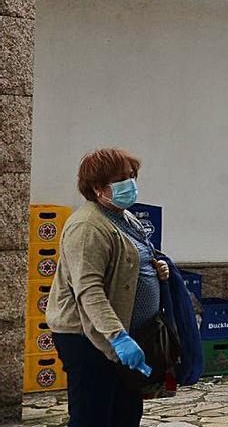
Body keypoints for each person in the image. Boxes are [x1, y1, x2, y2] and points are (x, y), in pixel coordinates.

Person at [46, 148, 172, 427]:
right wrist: (118, 337)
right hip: (89, 338)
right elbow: (88, 289)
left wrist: (156, 270)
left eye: (132, 176)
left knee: (126, 413)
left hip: (129, 335)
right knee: (93, 415)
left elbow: (133, 260)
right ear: (97, 187)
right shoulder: (87, 226)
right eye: (122, 178)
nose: (131, 183)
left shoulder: (126, 217)